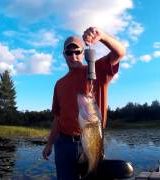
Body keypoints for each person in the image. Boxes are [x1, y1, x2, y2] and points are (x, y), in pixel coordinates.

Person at [42, 27, 126, 180]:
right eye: (69, 52)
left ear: (83, 53)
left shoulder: (96, 70)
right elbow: (57, 117)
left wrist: (102, 36)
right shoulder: (59, 84)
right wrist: (49, 144)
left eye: (77, 51)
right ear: (64, 55)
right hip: (63, 144)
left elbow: (120, 53)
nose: (73, 56)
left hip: (90, 142)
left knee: (93, 174)